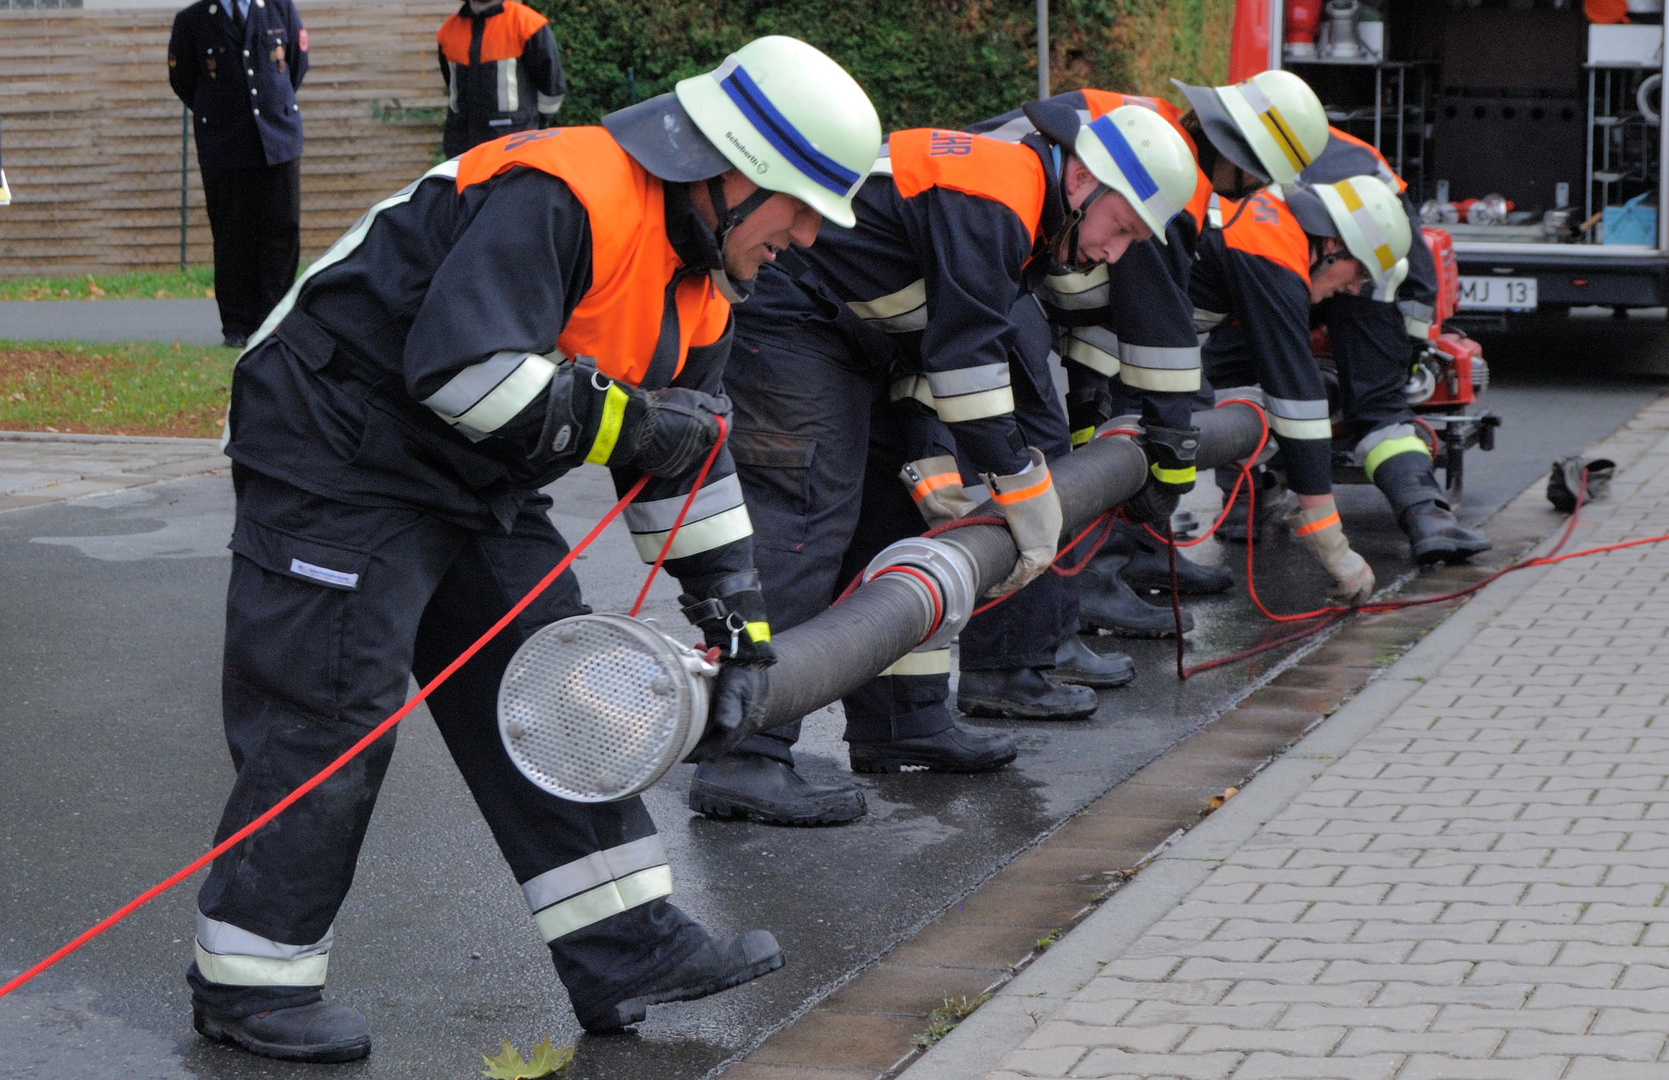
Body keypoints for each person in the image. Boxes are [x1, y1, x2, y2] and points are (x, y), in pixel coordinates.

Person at [186, 36, 881, 1061]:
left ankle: (627, 947)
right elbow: (464, 373)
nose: (811, 238)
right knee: (333, 707)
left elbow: (689, 453)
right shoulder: (566, 192)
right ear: (736, 173)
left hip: (463, 467)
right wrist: (639, 426)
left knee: (554, 685)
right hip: (333, 444)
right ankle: (249, 984)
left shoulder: (704, 278)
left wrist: (736, 620)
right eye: (803, 207)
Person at [688, 105, 1199, 826]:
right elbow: (968, 366)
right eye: (1118, 228)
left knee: (899, 520)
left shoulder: (1021, 214)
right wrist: (1024, 490)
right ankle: (743, 753)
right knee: (802, 520)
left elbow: (939, 341)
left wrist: (927, 446)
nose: (1113, 253)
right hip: (792, 318)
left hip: (849, 334)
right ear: (1082, 178)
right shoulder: (995, 195)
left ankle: (903, 720)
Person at [963, 74, 1330, 642]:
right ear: (1240, 157)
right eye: (1258, 180)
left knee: (1096, 428)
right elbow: (1158, 334)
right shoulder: (1167, 177)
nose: (1253, 193)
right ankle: (1056, 621)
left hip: (994, 261)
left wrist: (1119, 417)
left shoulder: (1159, 133)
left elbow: (1118, 307)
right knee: (1050, 449)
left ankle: (1115, 569)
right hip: (990, 266)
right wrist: (1172, 457)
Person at [1190, 174, 1413, 603]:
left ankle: (1130, 562)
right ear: (1331, 244)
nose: (1352, 288)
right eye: (1359, 271)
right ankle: (1104, 576)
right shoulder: (1273, 251)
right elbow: (1298, 400)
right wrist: (1336, 553)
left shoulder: (1273, 226)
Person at [1298, 128, 1490, 564]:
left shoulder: (1248, 156)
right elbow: (1418, 275)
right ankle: (1429, 518)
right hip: (1373, 272)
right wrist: (1407, 353)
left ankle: (1240, 508)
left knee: (1244, 379)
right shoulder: (1357, 154)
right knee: (1381, 409)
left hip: (1286, 262)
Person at [168, 0, 308, 349]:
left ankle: (273, 321)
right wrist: (223, 113)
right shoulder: (193, 20)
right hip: (224, 144)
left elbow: (296, 67)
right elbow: (184, 80)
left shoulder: (280, 9)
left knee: (282, 230)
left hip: (277, 138)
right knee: (232, 234)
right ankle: (237, 325)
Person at [437, 0, 566, 158]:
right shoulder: (448, 32)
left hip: (514, 145)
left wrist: (538, 125)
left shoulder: (527, 24)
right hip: (462, 146)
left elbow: (552, 86)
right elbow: (451, 83)